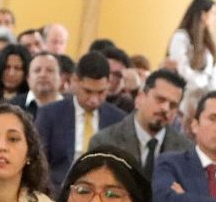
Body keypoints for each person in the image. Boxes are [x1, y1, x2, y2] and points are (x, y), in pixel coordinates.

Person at [34, 51, 123, 190]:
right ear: (75, 81)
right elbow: (38, 162)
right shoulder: (50, 114)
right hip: (58, 190)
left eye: (101, 92)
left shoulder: (118, 119)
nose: (94, 100)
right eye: (88, 91)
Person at [87, 68, 191, 177]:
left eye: (173, 105)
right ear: (140, 98)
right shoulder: (105, 143)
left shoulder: (186, 152)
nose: (165, 108)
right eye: (160, 99)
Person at [167, 0, 216, 124]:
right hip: (183, 100)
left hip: (202, 101)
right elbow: (181, 69)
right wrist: (201, 83)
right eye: (213, 13)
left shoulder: (209, 42)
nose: (215, 18)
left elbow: (213, 71)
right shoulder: (181, 37)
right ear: (203, 14)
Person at [21, 50, 64, 119]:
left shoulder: (73, 107)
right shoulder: (13, 106)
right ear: (28, 78)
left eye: (50, 70)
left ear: (61, 78)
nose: (43, 75)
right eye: (37, 70)